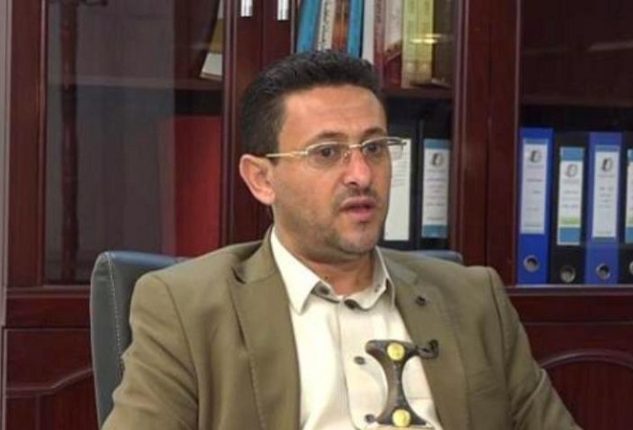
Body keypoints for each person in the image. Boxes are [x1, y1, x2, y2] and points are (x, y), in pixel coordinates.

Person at [103, 50, 580, 430]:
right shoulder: (187, 308)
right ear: (261, 179)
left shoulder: (474, 298)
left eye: (374, 148)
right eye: (327, 152)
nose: (361, 174)